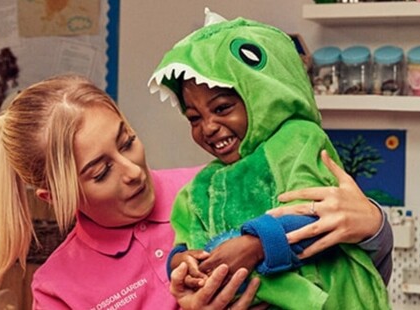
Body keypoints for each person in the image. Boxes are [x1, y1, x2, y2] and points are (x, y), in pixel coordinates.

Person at [0, 75, 391, 309]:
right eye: (100, 172)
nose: (134, 171)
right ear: (52, 196)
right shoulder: (58, 287)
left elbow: (345, 278)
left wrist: (373, 227)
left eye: (127, 140)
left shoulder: (214, 187)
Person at [148, 10, 391, 309]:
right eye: (194, 118)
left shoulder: (297, 141)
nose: (207, 127)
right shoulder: (200, 187)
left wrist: (256, 246)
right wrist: (182, 262)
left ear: (263, 96)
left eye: (222, 108)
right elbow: (185, 237)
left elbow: (319, 216)